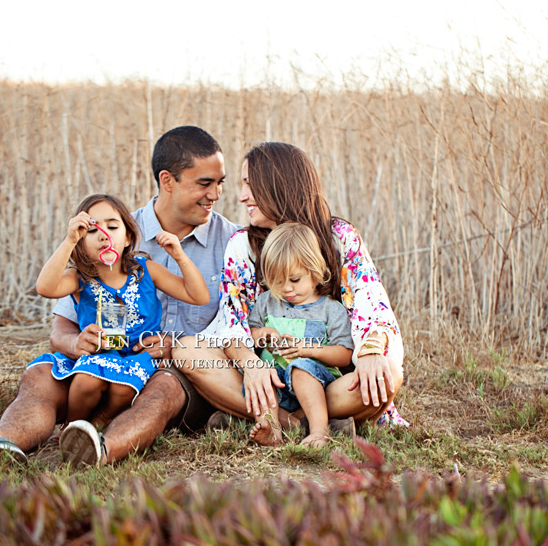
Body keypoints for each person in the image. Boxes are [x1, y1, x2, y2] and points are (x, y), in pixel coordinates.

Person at [0, 126, 240, 466]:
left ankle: (98, 449)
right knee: (40, 376)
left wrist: (180, 346)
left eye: (221, 182)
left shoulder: (232, 242)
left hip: (179, 372)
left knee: (165, 388)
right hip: (104, 362)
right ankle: (0, 442)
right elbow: (60, 329)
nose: (216, 193)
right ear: (167, 180)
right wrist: (76, 344)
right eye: (205, 183)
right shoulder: (111, 233)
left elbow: (240, 325)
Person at [173, 141, 407, 439]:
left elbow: (370, 303)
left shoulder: (339, 238)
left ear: (277, 186)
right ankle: (295, 421)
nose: (242, 196)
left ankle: (282, 418)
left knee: (390, 373)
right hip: (268, 378)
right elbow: (232, 323)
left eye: (249, 185)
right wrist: (252, 366)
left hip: (325, 379)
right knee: (185, 349)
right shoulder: (243, 246)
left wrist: (373, 351)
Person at [30, 193, 208, 459]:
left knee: (124, 387)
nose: (103, 234)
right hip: (98, 355)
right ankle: (72, 426)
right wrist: (69, 240)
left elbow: (198, 296)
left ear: (127, 238)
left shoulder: (146, 270)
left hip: (138, 355)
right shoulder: (80, 278)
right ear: (81, 241)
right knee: (86, 381)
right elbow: (45, 288)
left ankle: (101, 422)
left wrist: (180, 256)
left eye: (112, 227)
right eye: (92, 230)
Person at [247, 222, 354, 448]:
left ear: (314, 272)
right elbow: (250, 334)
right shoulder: (267, 302)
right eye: (277, 281)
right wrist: (262, 334)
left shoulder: (330, 309)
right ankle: (272, 431)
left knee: (301, 368)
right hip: (277, 381)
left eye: (295, 280)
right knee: (261, 377)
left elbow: (344, 354)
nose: (286, 289)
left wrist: (306, 350)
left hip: (314, 381)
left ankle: (318, 431)